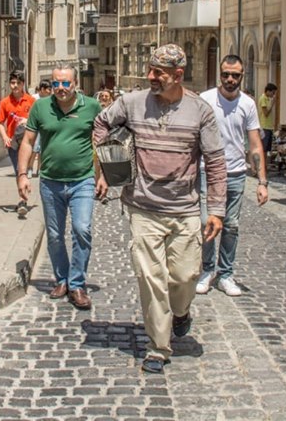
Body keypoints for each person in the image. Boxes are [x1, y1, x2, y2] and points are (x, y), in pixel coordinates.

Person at [93, 43, 227, 374]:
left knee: (185, 277)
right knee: (150, 277)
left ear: (178, 75)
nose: (151, 76)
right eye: (151, 70)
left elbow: (215, 160)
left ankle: (181, 312)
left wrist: (217, 209)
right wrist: (110, 167)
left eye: (159, 72)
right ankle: (158, 346)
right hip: (143, 208)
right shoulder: (132, 102)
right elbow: (100, 125)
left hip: (184, 210)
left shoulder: (201, 111)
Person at [17, 65, 104, 309]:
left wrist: (102, 176)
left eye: (66, 83)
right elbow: (28, 141)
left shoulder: (91, 107)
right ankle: (62, 279)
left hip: (82, 179)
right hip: (50, 181)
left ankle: (77, 284)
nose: (61, 88)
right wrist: (22, 174)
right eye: (56, 83)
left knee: (82, 229)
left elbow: (102, 142)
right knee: (54, 236)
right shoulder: (41, 107)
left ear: (75, 83)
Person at [196, 55, 269, 297]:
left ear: (242, 75)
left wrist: (262, 182)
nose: (230, 79)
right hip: (208, 171)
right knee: (207, 221)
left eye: (235, 75)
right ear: (220, 73)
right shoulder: (205, 100)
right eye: (226, 74)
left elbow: (255, 145)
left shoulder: (248, 104)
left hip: (236, 173)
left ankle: (225, 274)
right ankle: (206, 270)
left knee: (231, 226)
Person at [0, 70, 36, 214]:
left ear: (23, 84)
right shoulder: (4, 102)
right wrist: (5, 137)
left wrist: (28, 121)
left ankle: (23, 200)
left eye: (18, 83)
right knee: (19, 171)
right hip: (13, 142)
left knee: (23, 170)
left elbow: (37, 120)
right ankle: (23, 199)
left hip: (28, 141)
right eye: (13, 83)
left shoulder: (31, 101)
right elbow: (0, 122)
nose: (15, 86)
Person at [30, 79, 53, 178]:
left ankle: (39, 169)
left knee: (42, 150)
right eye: (48, 89)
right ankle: (30, 168)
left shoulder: (51, 99)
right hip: (36, 127)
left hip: (46, 126)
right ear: (42, 89)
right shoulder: (34, 98)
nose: (50, 91)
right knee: (34, 148)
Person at [258, 83, 278, 153]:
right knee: (264, 148)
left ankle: (265, 163)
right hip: (264, 127)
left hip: (269, 127)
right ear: (268, 91)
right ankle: (262, 163)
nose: (273, 94)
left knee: (267, 149)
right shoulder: (263, 98)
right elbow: (265, 113)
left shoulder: (268, 99)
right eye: (273, 92)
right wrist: (272, 104)